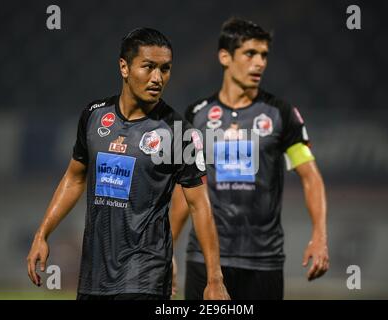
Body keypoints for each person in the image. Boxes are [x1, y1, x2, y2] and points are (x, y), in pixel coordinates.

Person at [26, 27, 229, 300]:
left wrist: (214, 278)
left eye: (165, 69)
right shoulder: (94, 117)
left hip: (145, 274)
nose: (158, 77)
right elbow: (74, 178)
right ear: (124, 67)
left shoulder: (180, 133)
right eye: (149, 67)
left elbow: (199, 204)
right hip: (93, 275)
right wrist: (42, 234)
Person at [170, 18, 329, 300]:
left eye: (264, 55)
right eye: (250, 54)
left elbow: (310, 177)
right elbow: (187, 189)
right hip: (206, 260)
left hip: (263, 261)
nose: (259, 63)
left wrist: (319, 235)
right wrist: (166, 250)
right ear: (225, 57)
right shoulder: (197, 114)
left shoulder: (281, 114)